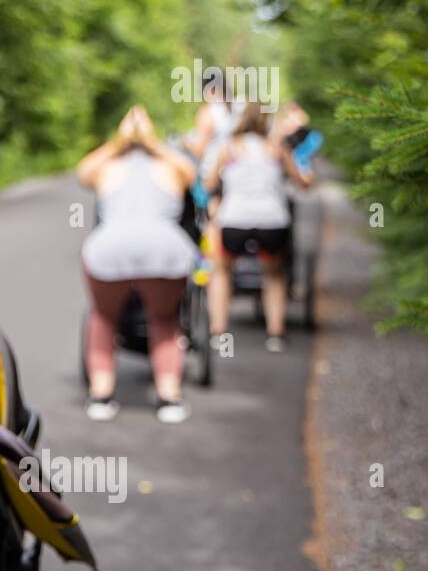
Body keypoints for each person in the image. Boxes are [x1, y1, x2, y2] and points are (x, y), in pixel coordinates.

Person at [76, 106, 199, 424]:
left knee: (103, 317)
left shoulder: (109, 165)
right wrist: (153, 143)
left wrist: (120, 141)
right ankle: (169, 396)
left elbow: (83, 173)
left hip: (109, 249)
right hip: (165, 250)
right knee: (164, 320)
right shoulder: (168, 165)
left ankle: (101, 394)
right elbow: (192, 175)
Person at [205, 99, 313, 353]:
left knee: (221, 270)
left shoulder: (229, 147)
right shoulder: (277, 147)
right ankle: (275, 334)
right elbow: (302, 182)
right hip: (272, 221)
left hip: (235, 221)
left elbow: (209, 184)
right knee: (274, 274)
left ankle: (218, 332)